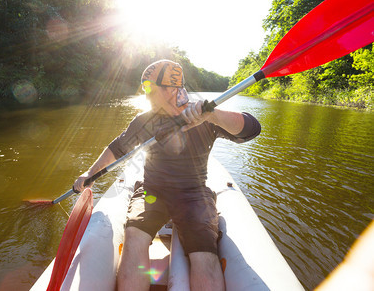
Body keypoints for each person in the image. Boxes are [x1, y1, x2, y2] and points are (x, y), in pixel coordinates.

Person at [73, 59, 261, 291]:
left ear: (172, 89)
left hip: (195, 196)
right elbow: (118, 147)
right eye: (145, 88)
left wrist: (212, 115)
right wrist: (90, 173)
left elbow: (251, 129)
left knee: (204, 254)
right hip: (152, 192)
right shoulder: (145, 121)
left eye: (150, 88)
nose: (146, 95)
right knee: (134, 236)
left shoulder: (202, 115)